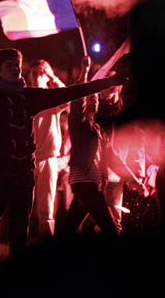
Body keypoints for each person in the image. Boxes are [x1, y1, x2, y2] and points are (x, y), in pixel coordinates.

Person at [0, 45, 128, 260]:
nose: (16, 69)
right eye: (9, 65)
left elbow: (70, 92)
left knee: (19, 235)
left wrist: (109, 82)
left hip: (23, 175)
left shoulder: (29, 97)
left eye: (18, 65)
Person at [58, 57, 146, 238]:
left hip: (90, 184)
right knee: (110, 227)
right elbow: (77, 101)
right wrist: (84, 72)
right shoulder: (79, 123)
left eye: (96, 97)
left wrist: (134, 182)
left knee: (70, 226)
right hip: (84, 182)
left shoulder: (98, 130)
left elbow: (113, 158)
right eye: (92, 97)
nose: (96, 100)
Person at [29, 59, 70, 240]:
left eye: (42, 73)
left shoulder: (53, 98)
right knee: (23, 206)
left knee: (46, 207)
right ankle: (19, 246)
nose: (38, 76)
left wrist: (53, 77)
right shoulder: (25, 95)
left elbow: (69, 100)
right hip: (27, 158)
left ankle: (46, 243)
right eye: (35, 72)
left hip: (48, 158)